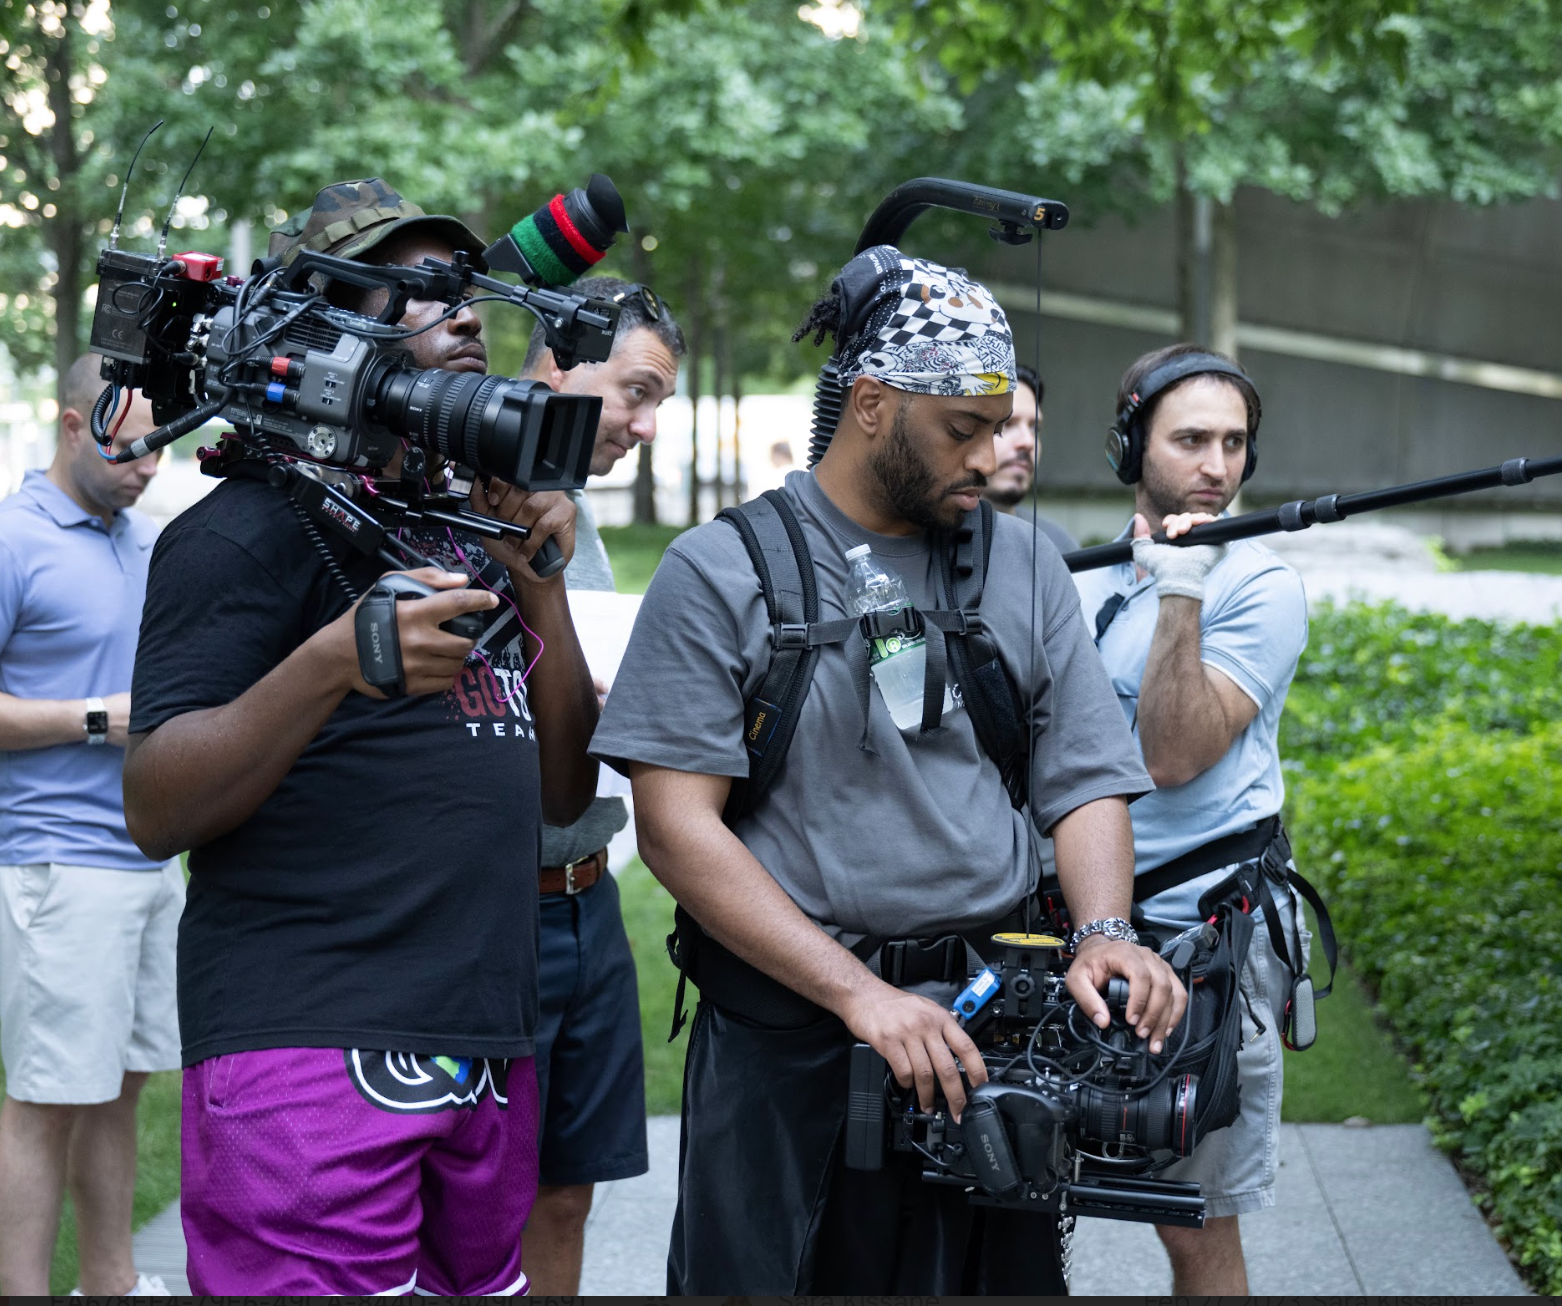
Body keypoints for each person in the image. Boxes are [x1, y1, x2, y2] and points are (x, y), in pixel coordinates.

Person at [591, 246, 1188, 1293]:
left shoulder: (1024, 562)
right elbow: (677, 826)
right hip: (791, 1040)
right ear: (871, 402)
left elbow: (1083, 770)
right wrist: (861, 994)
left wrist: (1104, 931)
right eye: (963, 428)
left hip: (991, 1029)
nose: (993, 453)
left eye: (1001, 424)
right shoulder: (721, 570)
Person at [122, 178, 600, 1296]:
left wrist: (541, 584)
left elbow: (565, 783)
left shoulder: (466, 523)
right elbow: (155, 804)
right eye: (425, 293)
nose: (471, 317)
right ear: (323, 329)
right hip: (306, 1051)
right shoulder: (240, 531)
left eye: (470, 294)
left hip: (481, 1041)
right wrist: (335, 660)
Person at [0, 354, 171, 1297]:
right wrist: (96, 716)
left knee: (120, 1087)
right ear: (71, 422)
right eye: (131, 443)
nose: (147, 464)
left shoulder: (140, 540)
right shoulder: (0, 543)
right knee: (49, 1098)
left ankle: (113, 1284)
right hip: (55, 866)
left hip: (147, 854)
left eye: (159, 447)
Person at [1074, 342, 1311, 1294]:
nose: (1216, 468)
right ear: (1132, 447)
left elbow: (1172, 754)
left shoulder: (1260, 585)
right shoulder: (1092, 579)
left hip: (1207, 942)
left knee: (1194, 1226)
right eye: (1190, 441)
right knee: (1016, 1184)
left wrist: (1181, 586)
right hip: (1087, 930)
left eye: (1234, 443)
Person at [514, 275, 683, 1294]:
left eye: (657, 400)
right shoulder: (465, 496)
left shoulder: (579, 519)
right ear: (556, 365)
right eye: (635, 391)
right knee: (479, 1187)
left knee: (568, 1189)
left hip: (587, 896)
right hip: (491, 905)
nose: (646, 424)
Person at [985, 363, 1078, 555]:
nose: (1028, 442)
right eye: (1007, 424)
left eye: (1034, 428)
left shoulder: (1057, 547)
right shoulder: (926, 539)